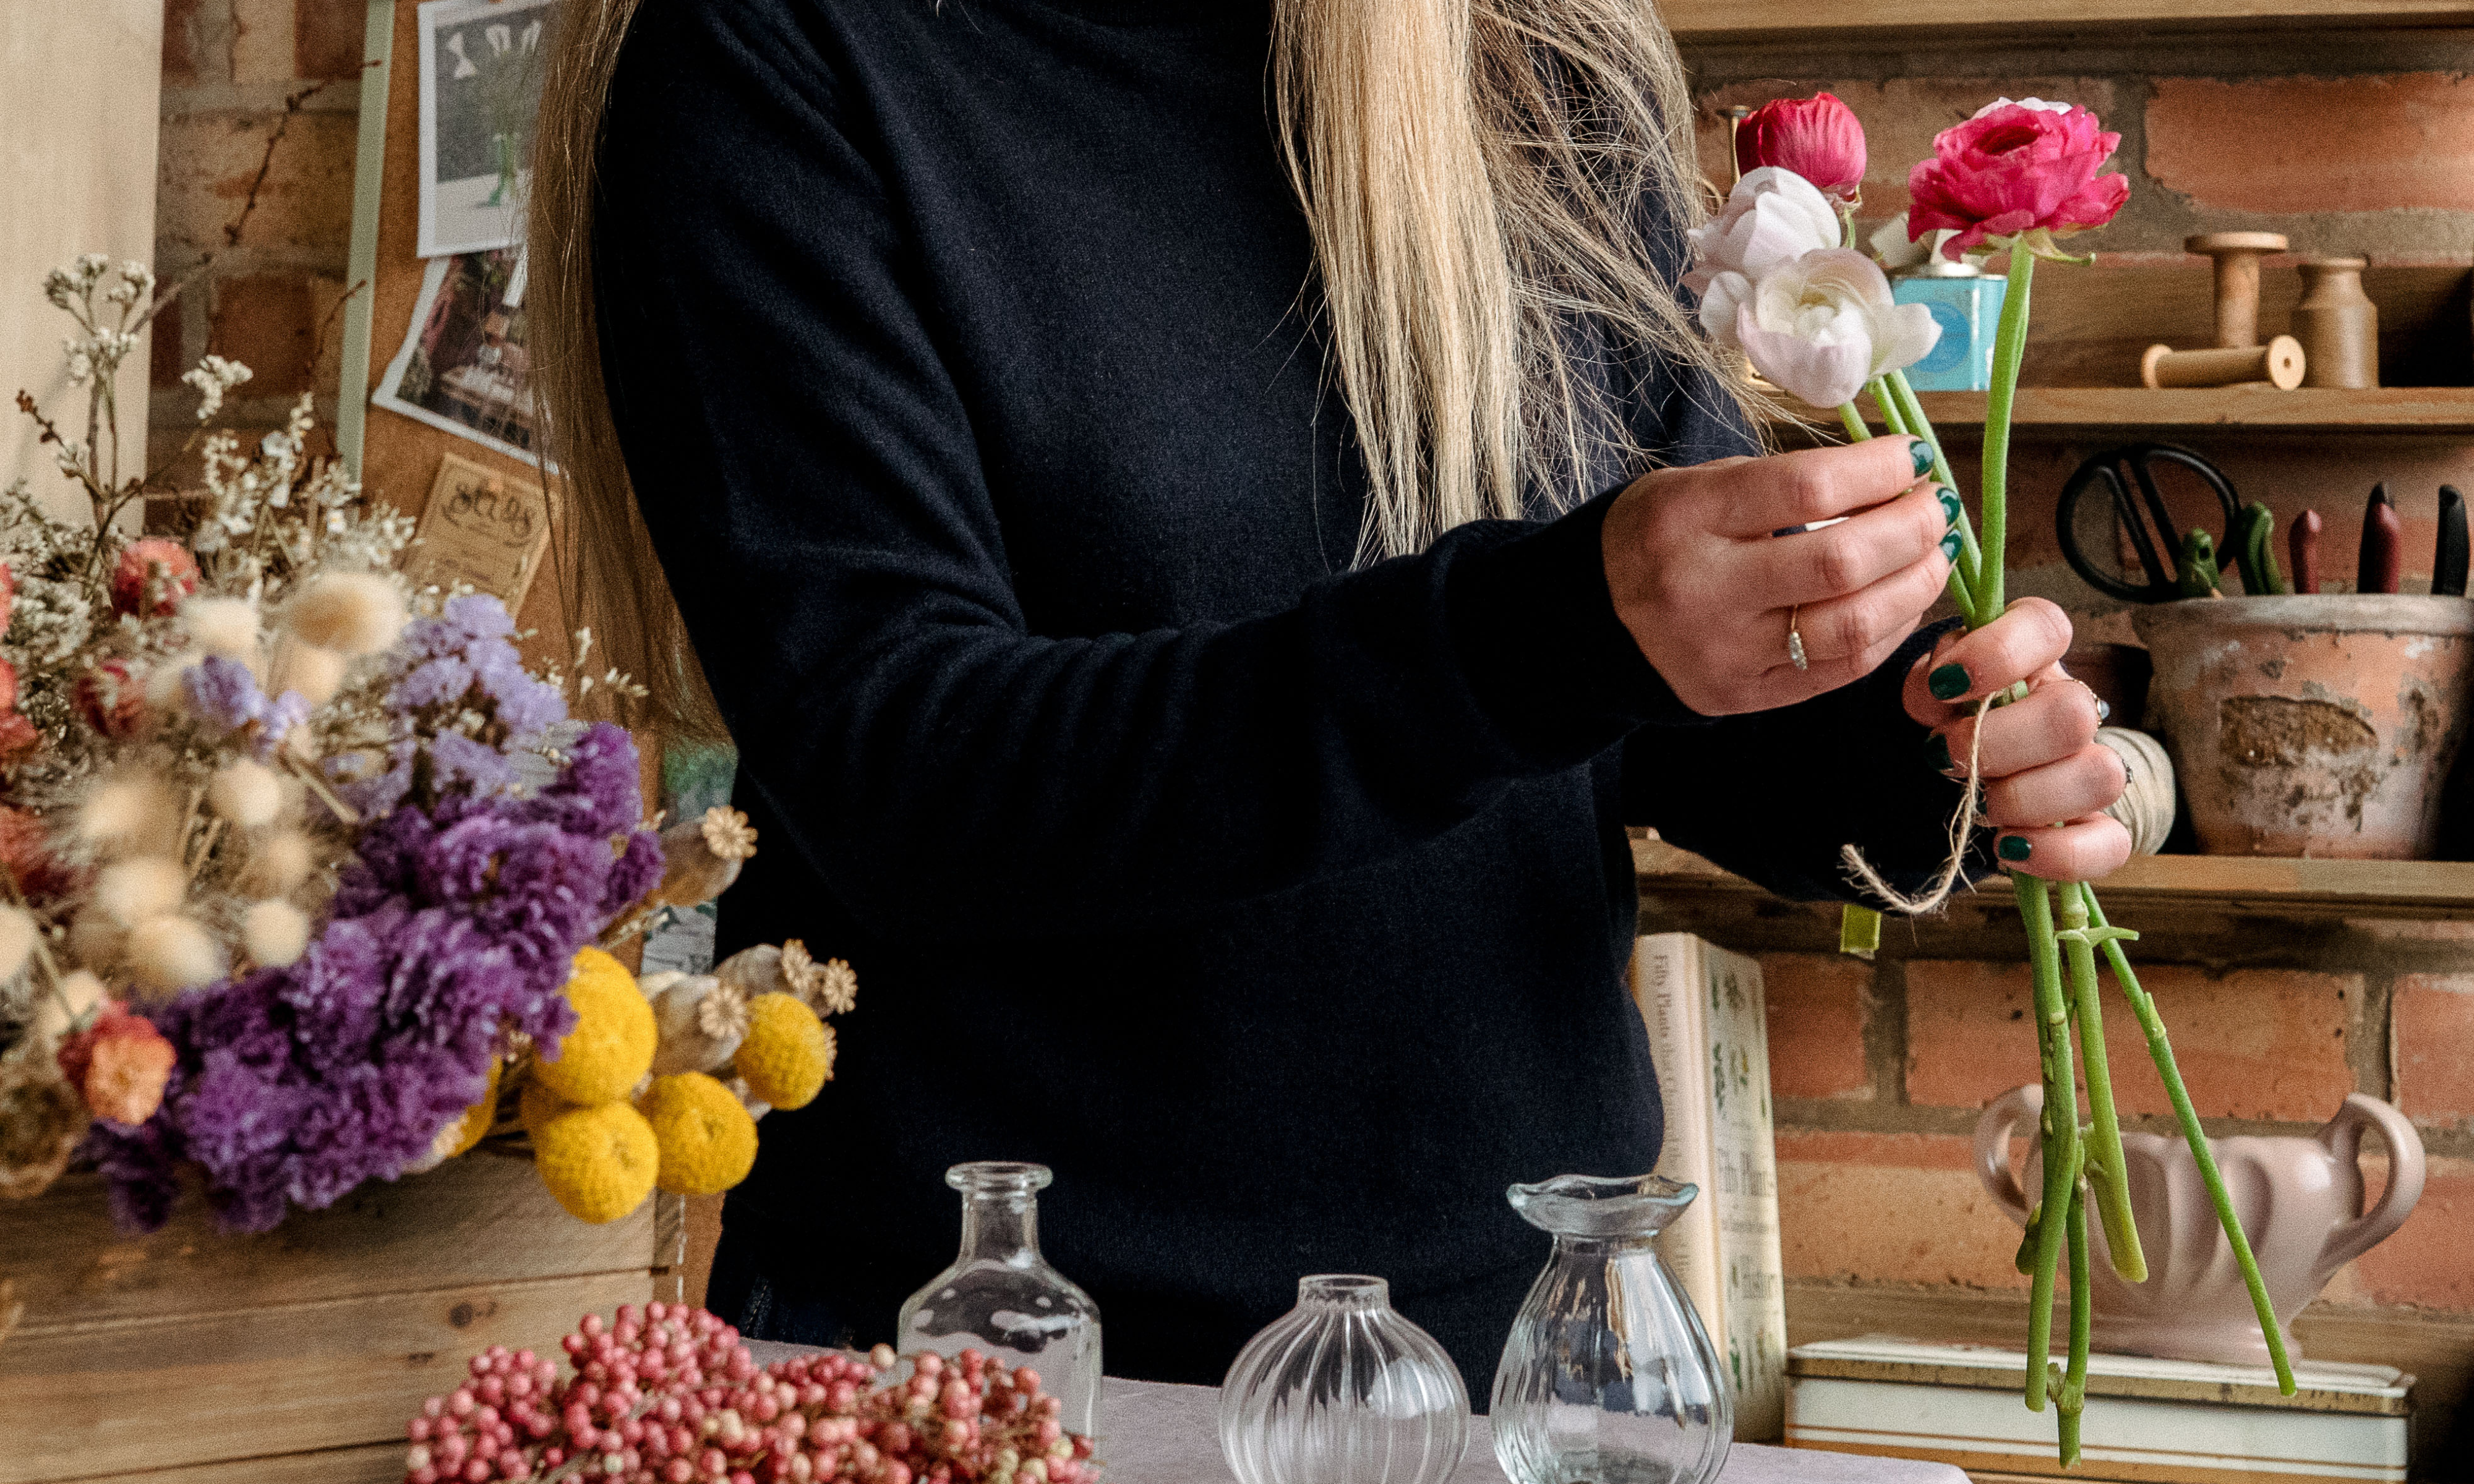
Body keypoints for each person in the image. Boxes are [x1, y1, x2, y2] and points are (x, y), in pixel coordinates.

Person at [528, 0, 2131, 1388]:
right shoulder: (772, 58)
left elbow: (1638, 701)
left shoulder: (1531, 57)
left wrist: (1919, 747)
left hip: (1525, 1362)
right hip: (997, 1364)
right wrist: (1548, 630)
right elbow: (910, 770)